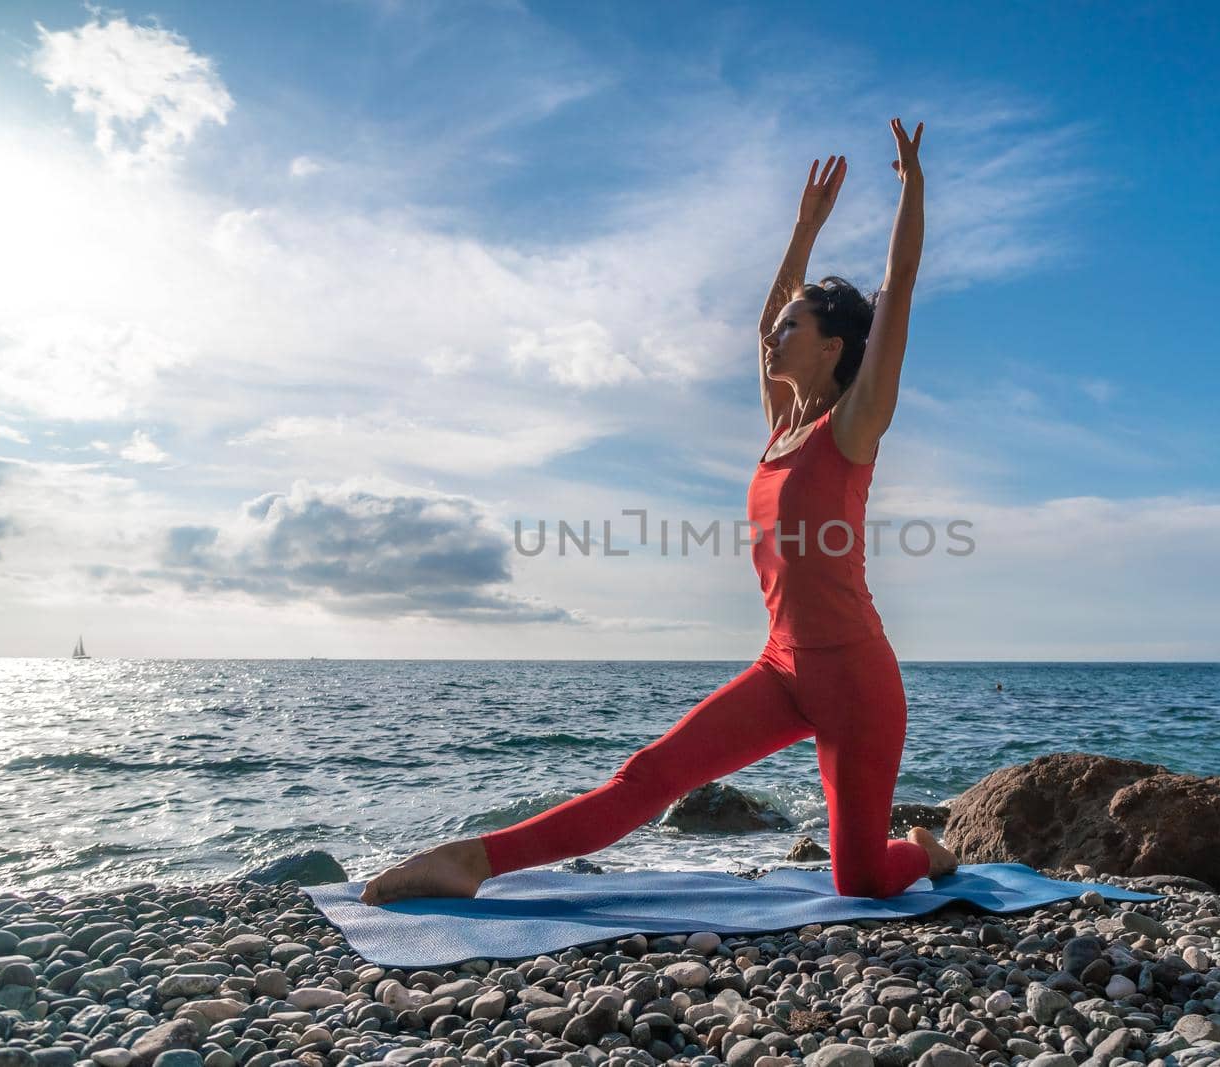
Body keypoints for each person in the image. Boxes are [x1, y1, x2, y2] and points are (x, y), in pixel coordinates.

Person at [361, 118, 957, 906]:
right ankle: (472, 860)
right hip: (783, 666)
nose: (773, 333)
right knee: (649, 776)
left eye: (793, 326)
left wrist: (912, 189)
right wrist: (803, 232)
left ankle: (928, 851)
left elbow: (900, 286)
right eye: (779, 324)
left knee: (863, 880)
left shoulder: (853, 425)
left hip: (855, 677)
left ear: (833, 348)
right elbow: (762, 321)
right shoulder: (781, 429)